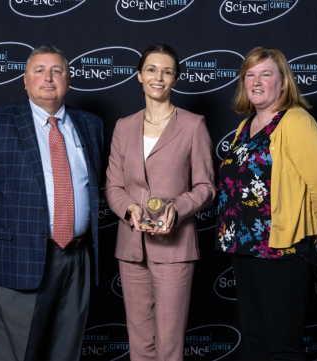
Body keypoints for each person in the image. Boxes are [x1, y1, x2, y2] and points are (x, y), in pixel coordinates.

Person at [0, 44, 103, 361]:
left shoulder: (91, 125)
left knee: (66, 351)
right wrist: (19, 230)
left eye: (57, 71)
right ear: (25, 80)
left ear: (68, 80)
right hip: (20, 256)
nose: (49, 78)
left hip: (78, 256)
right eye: (39, 71)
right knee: (14, 354)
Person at [215, 46, 317, 360]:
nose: (256, 81)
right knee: (259, 342)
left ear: (283, 82)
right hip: (244, 249)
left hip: (283, 250)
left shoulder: (296, 121)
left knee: (283, 346)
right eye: (249, 75)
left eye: (265, 74)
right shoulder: (244, 127)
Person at [104, 43, 216, 361]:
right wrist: (130, 208)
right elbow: (113, 186)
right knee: (139, 342)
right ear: (139, 76)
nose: (159, 76)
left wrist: (176, 209)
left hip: (174, 245)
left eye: (167, 71)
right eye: (152, 69)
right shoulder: (124, 127)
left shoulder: (193, 125)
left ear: (175, 80)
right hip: (131, 246)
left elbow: (206, 186)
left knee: (169, 344)